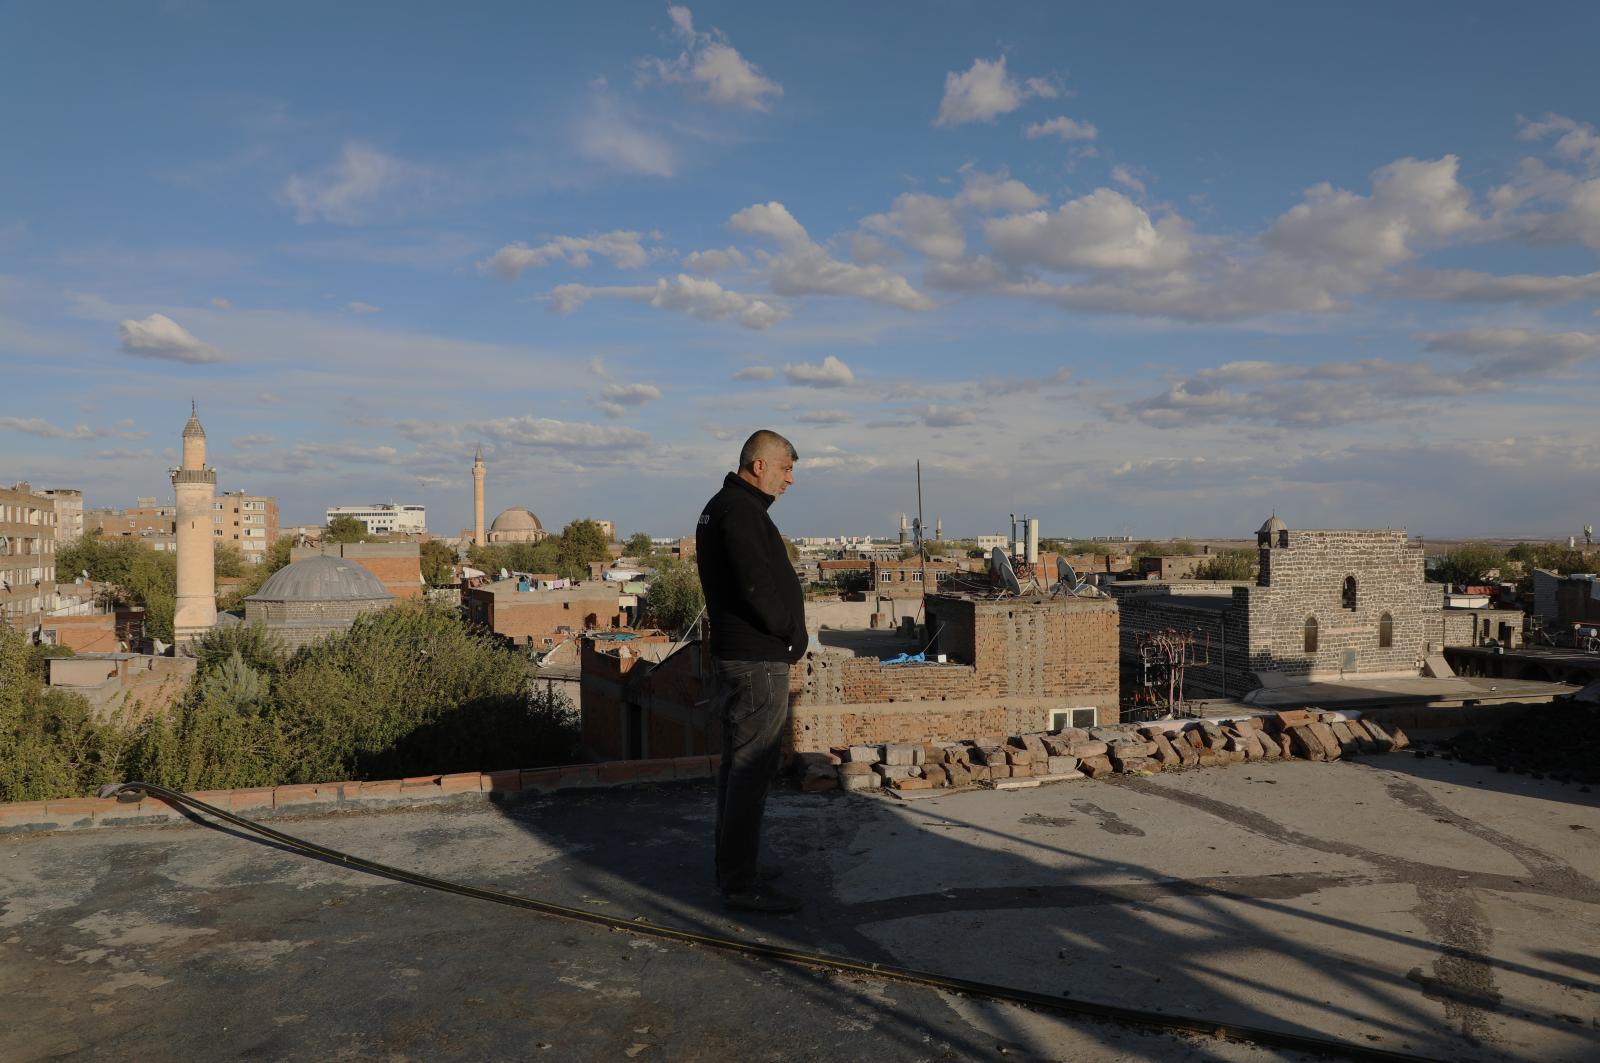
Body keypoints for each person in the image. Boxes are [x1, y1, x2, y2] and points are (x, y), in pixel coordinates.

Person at [696, 429, 807, 913]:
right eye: (785, 468)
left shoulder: (725, 506)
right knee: (750, 770)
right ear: (759, 465)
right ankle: (740, 882)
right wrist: (787, 633)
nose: (790, 480)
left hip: (744, 654)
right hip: (757, 659)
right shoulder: (739, 511)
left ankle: (736, 866)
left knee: (739, 768)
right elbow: (755, 585)